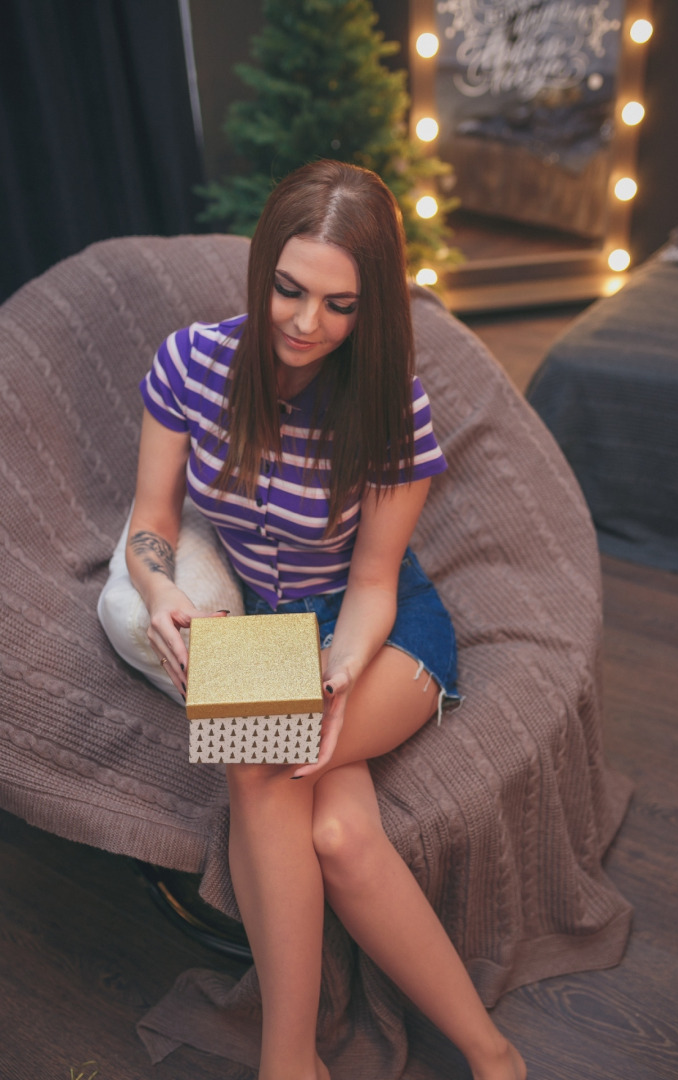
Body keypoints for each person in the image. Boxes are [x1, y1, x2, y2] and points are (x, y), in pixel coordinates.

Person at [124, 160, 526, 1080]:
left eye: (340, 305)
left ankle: (288, 1064)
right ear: (263, 268)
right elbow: (150, 520)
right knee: (340, 836)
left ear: (372, 304)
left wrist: (342, 669)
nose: (307, 324)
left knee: (258, 764)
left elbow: (378, 580)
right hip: (268, 627)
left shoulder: (392, 408)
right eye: (289, 290)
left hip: (377, 632)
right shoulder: (190, 365)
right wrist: (162, 594)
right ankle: (494, 1055)